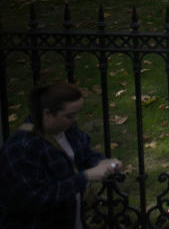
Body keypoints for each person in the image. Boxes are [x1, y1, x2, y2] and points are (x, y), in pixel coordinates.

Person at [0, 83, 123, 228]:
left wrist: (102, 163)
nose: (76, 119)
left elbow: (84, 154)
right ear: (47, 113)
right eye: (70, 115)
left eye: (78, 112)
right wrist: (85, 177)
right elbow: (38, 198)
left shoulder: (67, 129)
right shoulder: (22, 148)